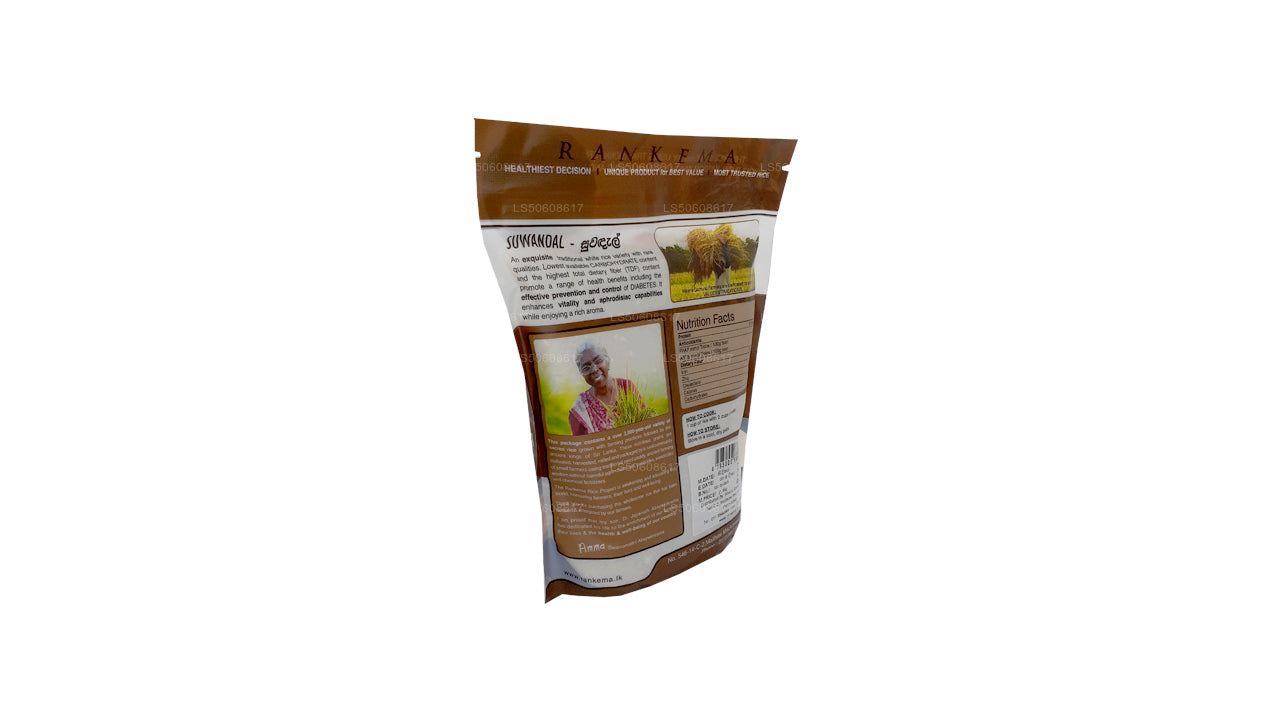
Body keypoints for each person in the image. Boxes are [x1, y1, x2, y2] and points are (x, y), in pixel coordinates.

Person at [568, 341, 642, 435]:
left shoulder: (626, 388)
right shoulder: (579, 409)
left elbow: (644, 425)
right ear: (582, 374)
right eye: (586, 367)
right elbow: (581, 443)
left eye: (598, 361)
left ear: (608, 361)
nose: (594, 369)